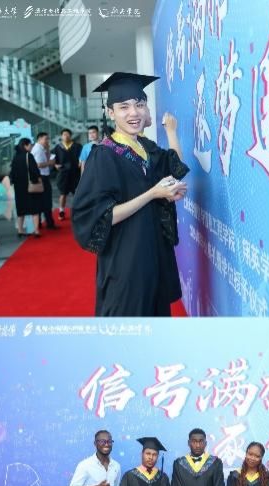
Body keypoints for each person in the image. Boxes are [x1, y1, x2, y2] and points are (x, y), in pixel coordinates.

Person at [72, 72, 190, 317]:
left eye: (139, 104)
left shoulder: (146, 148)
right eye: (123, 107)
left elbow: (175, 170)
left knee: (157, 324)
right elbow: (100, 216)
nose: (133, 113)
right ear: (110, 112)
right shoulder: (103, 156)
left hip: (154, 253)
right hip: (126, 260)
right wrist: (152, 193)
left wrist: (167, 192)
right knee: (129, 325)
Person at [9, 138, 42, 238]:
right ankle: (36, 230)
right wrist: (38, 179)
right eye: (30, 145)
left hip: (19, 188)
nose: (31, 147)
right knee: (34, 209)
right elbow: (35, 171)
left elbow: (12, 173)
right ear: (25, 145)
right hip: (30, 187)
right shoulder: (29, 156)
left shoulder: (15, 157)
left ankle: (20, 230)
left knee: (21, 210)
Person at [53, 128, 82, 220]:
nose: (66, 136)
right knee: (63, 194)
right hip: (63, 174)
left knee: (77, 194)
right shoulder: (58, 147)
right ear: (61, 136)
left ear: (71, 135)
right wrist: (55, 165)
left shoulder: (77, 146)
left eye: (67, 134)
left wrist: (81, 163)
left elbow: (82, 157)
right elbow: (53, 159)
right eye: (64, 134)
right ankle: (61, 211)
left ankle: (78, 211)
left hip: (75, 173)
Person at [30, 132, 56, 230]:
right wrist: (50, 163)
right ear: (39, 139)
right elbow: (38, 164)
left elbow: (47, 158)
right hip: (42, 178)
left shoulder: (41, 148)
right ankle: (49, 223)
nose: (47, 141)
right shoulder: (37, 149)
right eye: (46, 139)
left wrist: (48, 149)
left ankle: (43, 222)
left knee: (43, 201)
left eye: (48, 139)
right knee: (46, 201)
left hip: (43, 177)